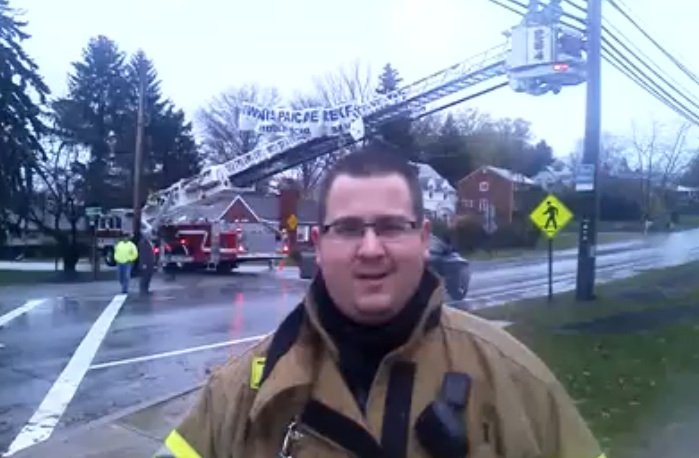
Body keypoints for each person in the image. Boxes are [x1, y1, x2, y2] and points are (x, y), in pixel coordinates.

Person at [156, 142, 605, 458]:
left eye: (391, 226)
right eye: (349, 229)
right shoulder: (236, 397)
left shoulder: (516, 381)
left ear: (424, 239)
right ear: (321, 243)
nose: (370, 249)